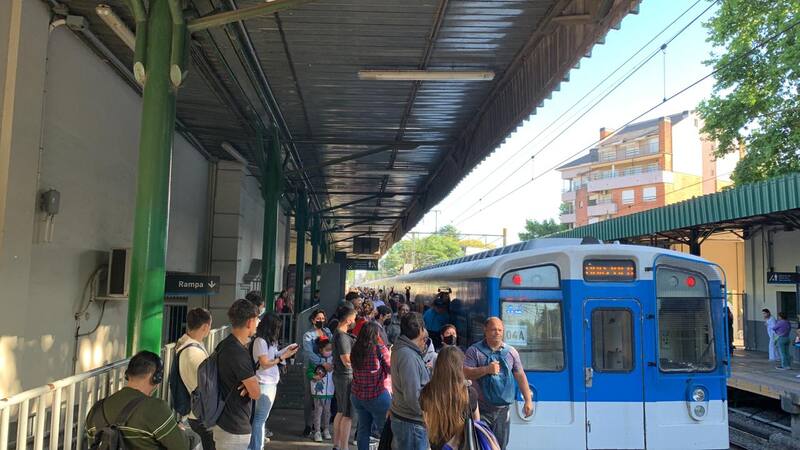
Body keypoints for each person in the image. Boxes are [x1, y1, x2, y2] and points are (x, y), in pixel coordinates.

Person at [86, 351, 189, 450]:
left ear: (127, 374)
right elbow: (182, 447)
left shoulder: (96, 410)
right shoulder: (155, 408)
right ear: (155, 378)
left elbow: (94, 444)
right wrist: (180, 432)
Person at [464, 317, 533, 450]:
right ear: (485, 330)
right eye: (493, 329)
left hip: (502, 411)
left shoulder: (511, 352)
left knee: (500, 446)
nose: (497, 332)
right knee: (480, 445)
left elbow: (520, 376)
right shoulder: (474, 351)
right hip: (480, 409)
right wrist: (486, 370)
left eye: (500, 330)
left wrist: (528, 400)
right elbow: (465, 373)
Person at [213, 299, 261, 450]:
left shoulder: (225, 344)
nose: (258, 323)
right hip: (234, 427)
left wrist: (249, 385)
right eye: (257, 319)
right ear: (249, 322)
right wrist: (251, 385)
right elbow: (256, 392)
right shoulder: (238, 353)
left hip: (224, 421)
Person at [249, 313, 299, 450]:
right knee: (259, 419)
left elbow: (273, 356)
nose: (278, 330)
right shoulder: (260, 341)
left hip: (269, 382)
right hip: (263, 382)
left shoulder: (269, 341)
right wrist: (283, 356)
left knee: (260, 419)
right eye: (276, 327)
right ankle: (256, 447)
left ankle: (256, 446)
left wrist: (286, 351)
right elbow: (265, 363)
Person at [420, 346, 481, 450]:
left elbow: (426, 424)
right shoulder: (469, 392)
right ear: (459, 366)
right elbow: (477, 421)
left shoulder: (427, 391)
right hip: (462, 445)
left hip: (437, 444)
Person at [390, 312, 431, 450]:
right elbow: (413, 396)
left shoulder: (403, 349)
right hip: (411, 424)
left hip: (406, 421)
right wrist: (427, 415)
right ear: (420, 330)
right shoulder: (408, 356)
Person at [175, 308, 214, 450]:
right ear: (205, 327)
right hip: (202, 413)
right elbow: (208, 386)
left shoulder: (183, 345)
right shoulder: (195, 353)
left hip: (193, 411)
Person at [350, 322, 391, 450]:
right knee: (385, 431)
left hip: (357, 395)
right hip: (377, 395)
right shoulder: (379, 348)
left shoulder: (355, 348)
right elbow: (390, 369)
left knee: (363, 429)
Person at [302, 309, 333, 437]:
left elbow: (332, 347)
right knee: (310, 398)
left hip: (328, 369)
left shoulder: (328, 332)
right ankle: (308, 425)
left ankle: (323, 427)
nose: (321, 320)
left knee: (326, 401)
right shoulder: (308, 335)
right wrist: (321, 362)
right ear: (313, 320)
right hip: (313, 367)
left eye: (323, 318)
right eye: (318, 318)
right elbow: (309, 353)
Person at [333, 306, 358, 450]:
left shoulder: (337, 333)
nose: (354, 321)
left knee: (341, 411)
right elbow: (346, 360)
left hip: (339, 375)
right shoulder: (342, 336)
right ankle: (343, 447)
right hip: (346, 377)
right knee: (347, 414)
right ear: (348, 320)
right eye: (354, 319)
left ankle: (336, 445)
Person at [307, 337, 335, 442]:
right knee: (318, 411)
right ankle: (317, 431)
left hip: (329, 391)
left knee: (327, 412)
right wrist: (314, 376)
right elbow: (309, 372)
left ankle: (326, 429)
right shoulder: (315, 360)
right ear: (320, 350)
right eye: (327, 349)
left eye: (330, 349)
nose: (329, 352)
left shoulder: (333, 360)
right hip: (318, 391)